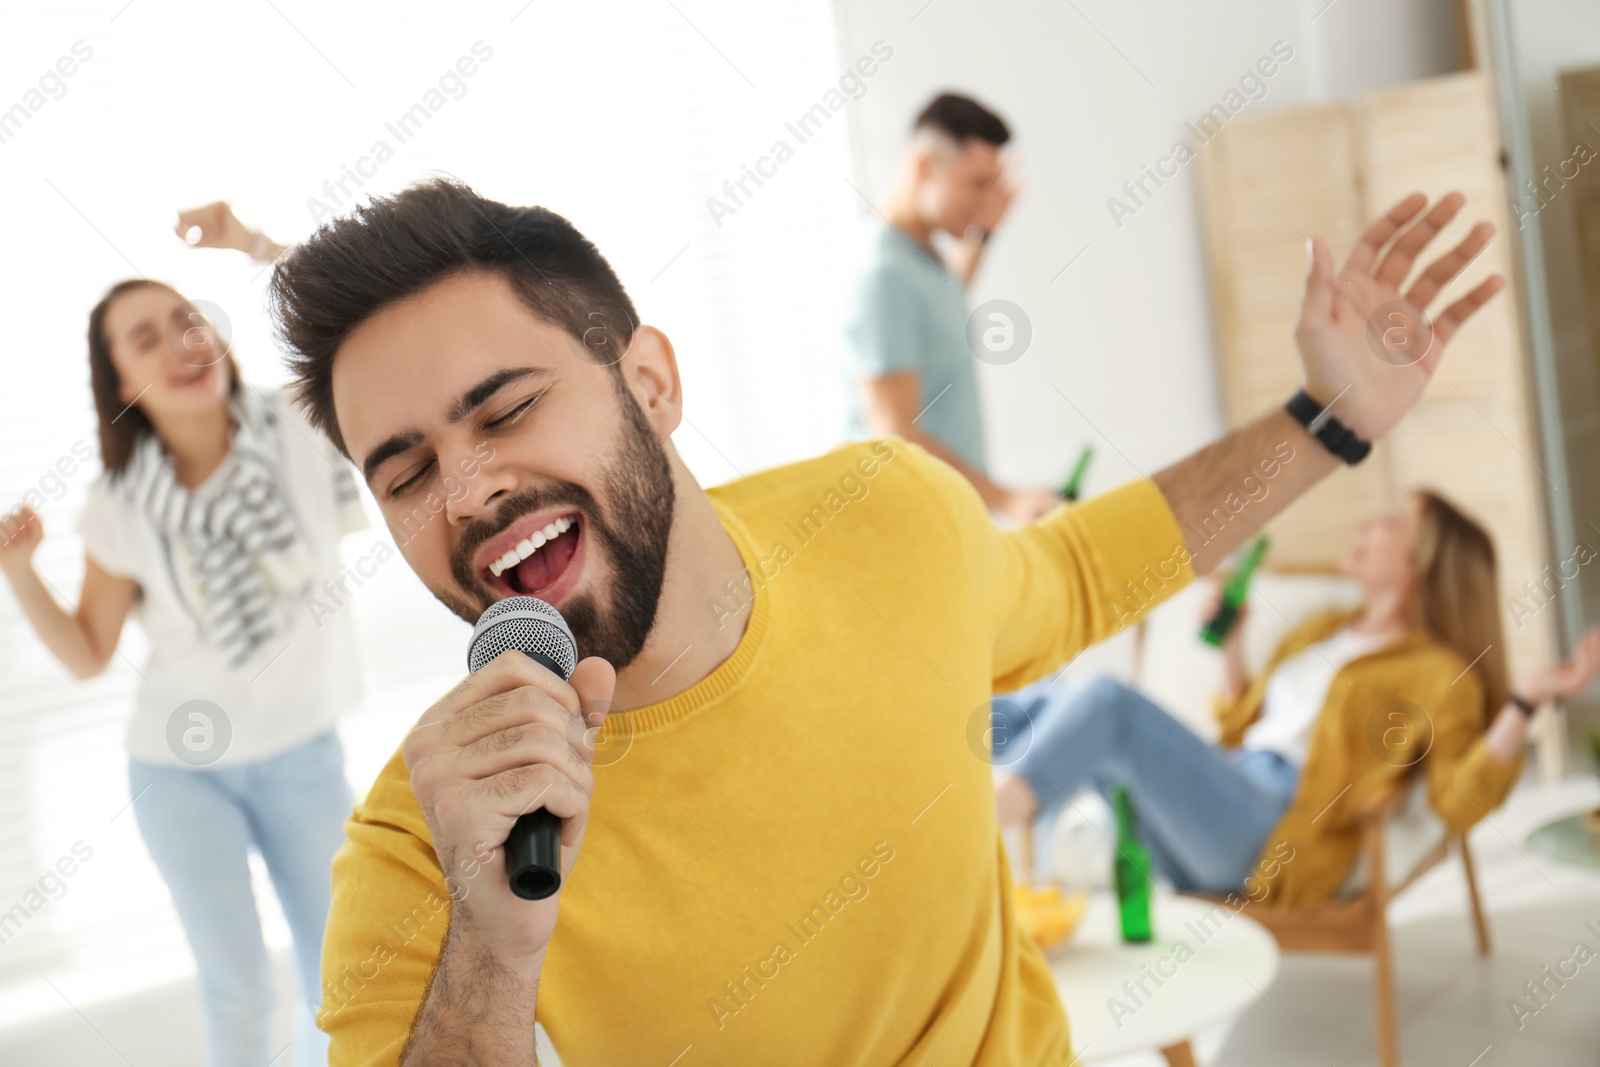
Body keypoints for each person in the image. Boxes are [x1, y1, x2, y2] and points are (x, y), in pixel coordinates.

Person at [263, 175, 1504, 1065]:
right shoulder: (425, 843)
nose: (468, 489)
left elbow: (1076, 572)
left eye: (504, 409)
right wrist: (493, 939)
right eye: (406, 470)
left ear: (651, 381)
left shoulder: (883, 511)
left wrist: (1325, 421)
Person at [0, 204, 361, 1067]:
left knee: (344, 986)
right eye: (145, 339)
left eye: (187, 321)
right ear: (121, 383)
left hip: (304, 753)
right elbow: (89, 655)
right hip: (179, 772)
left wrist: (251, 245)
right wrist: (18, 572)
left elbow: (354, 309)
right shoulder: (118, 506)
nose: (180, 345)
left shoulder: (305, 425)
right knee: (239, 999)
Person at [992, 491, 1600, 904]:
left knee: (1107, 703)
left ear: (1420, 562)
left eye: (1388, 522)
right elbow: (1243, 726)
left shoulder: (1439, 674)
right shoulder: (1326, 629)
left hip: (1269, 833)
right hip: (1220, 800)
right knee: (1047, 700)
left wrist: (1525, 702)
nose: (1365, 525)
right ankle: (930, 775)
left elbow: (1458, 801)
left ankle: (980, 825)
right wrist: (1232, 649)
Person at [842, 92, 1061, 525]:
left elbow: (944, 300)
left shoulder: (922, 255)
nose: (987, 199)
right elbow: (894, 433)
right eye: (977, 183)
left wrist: (983, 233)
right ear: (923, 167)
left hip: (947, 519)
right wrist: (1009, 499)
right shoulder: (883, 275)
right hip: (911, 526)